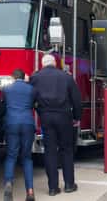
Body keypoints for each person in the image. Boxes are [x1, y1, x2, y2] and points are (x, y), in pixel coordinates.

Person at [30, 54, 82, 196]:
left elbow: (30, 97)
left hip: (46, 117)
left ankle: (53, 188)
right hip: (64, 117)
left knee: (50, 151)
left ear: (42, 64)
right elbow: (76, 99)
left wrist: (37, 110)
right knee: (66, 150)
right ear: (55, 63)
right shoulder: (66, 77)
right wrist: (77, 117)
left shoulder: (35, 78)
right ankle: (69, 185)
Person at [2, 69, 35, 201]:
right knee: (27, 157)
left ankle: (9, 183)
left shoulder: (7, 89)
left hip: (12, 122)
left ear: (13, 77)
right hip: (27, 122)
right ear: (24, 77)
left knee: (11, 156)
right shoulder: (32, 89)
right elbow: (33, 104)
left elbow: (4, 105)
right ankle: (30, 191)